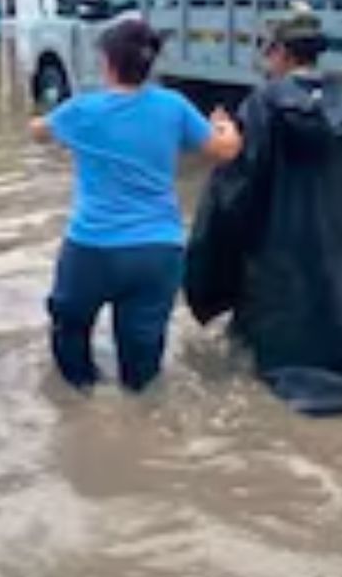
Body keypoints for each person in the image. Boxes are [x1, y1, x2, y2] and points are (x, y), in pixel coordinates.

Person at [185, 8, 342, 416]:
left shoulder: (264, 104)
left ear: (281, 52)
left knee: (256, 347)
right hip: (338, 252)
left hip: (280, 252)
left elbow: (239, 185)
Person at [30, 20, 241, 393]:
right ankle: (140, 422)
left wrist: (47, 119)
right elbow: (224, 152)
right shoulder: (173, 107)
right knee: (142, 363)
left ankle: (82, 403)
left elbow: (39, 132)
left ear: (108, 62)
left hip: (90, 249)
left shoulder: (81, 111)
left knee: (70, 332)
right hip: (157, 251)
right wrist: (225, 128)